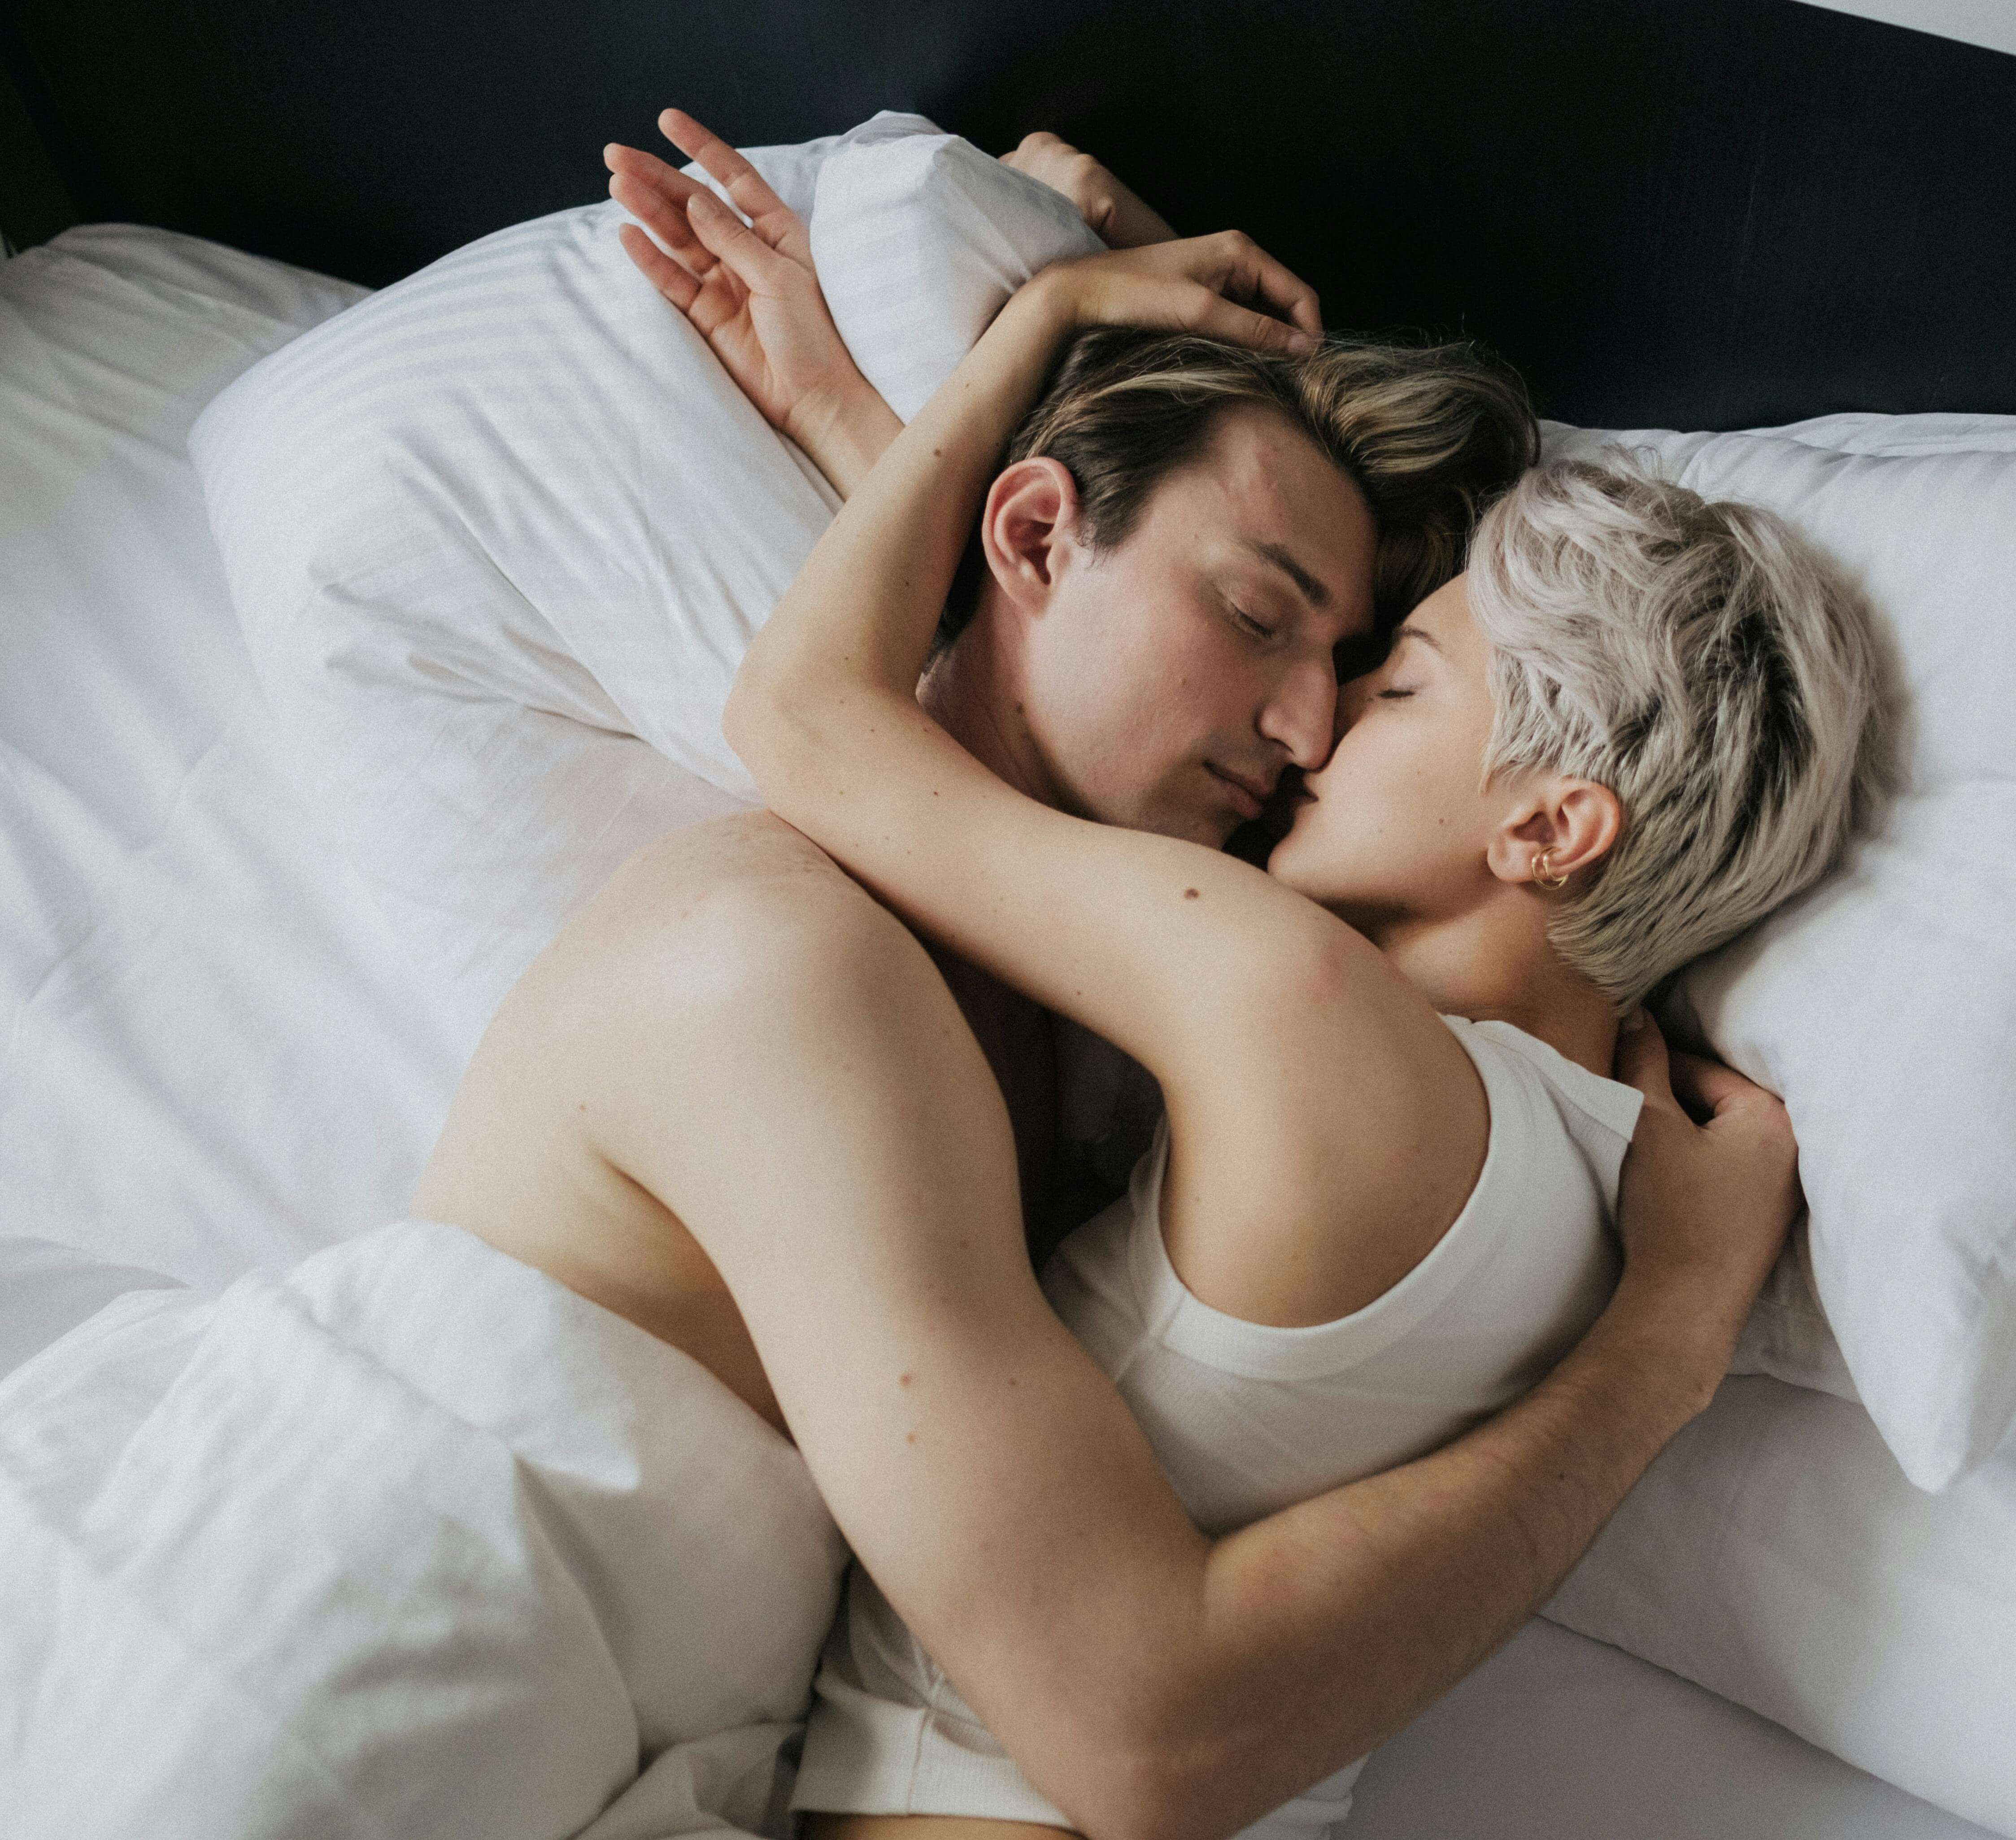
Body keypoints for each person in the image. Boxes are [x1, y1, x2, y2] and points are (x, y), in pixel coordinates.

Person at [566, 114, 1893, 1840]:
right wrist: (891, 420)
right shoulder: (1595, 1163)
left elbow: (815, 724)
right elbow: (1099, 703)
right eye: (1323, 656)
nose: (1317, 724)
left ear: (1553, 826)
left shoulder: (1294, 1012)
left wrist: (1034, 340)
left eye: (1396, 686)